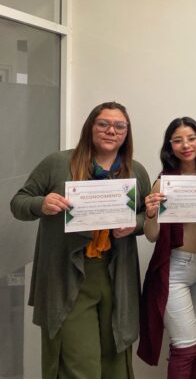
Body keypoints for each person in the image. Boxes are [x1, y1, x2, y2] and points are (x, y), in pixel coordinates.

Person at [10, 101, 150, 378]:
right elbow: (18, 202)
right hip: (68, 276)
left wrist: (134, 224)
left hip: (116, 274)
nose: (111, 131)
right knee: (78, 365)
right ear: (90, 127)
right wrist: (41, 204)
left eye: (119, 126)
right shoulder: (58, 163)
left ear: (127, 132)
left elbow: (148, 216)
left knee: (115, 360)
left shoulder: (135, 171)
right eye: (103, 124)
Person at [137, 117, 196, 378]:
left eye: (191, 138)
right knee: (185, 347)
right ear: (170, 146)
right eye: (178, 140)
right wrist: (151, 214)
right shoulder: (164, 182)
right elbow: (152, 236)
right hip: (176, 269)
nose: (186, 145)